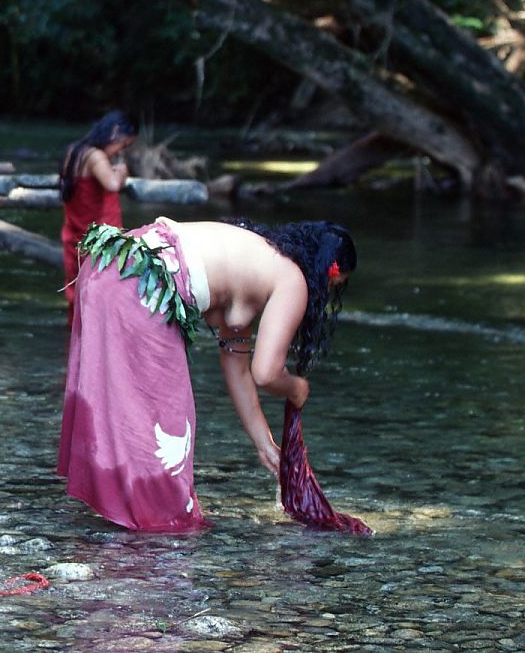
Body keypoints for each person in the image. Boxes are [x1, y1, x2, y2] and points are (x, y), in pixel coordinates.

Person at [59, 217, 357, 532]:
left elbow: (237, 364)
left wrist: (265, 443)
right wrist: (296, 388)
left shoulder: (257, 259)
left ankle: (122, 516)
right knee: (170, 420)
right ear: (326, 271)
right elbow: (265, 373)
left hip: (110, 264)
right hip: (141, 283)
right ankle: (158, 532)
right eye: (332, 287)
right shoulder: (293, 280)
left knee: (122, 403)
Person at [58, 110, 137, 315]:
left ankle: (75, 336)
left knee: (78, 297)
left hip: (75, 235)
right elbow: (112, 184)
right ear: (115, 133)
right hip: (96, 241)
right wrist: (121, 171)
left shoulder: (74, 151)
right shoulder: (95, 156)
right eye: (124, 145)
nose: (120, 152)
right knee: (99, 300)